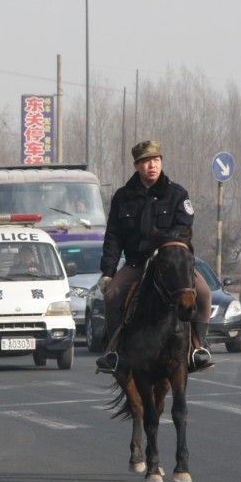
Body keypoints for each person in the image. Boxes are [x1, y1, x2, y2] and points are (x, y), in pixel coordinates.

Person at [95, 140, 214, 374]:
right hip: (137, 263)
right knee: (112, 296)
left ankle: (199, 347)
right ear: (137, 166)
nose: (152, 165)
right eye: (146, 161)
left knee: (204, 293)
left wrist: (165, 245)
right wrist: (108, 273)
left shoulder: (177, 194)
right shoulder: (123, 197)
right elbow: (113, 237)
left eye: (156, 160)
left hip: (171, 262)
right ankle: (114, 351)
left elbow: (184, 225)